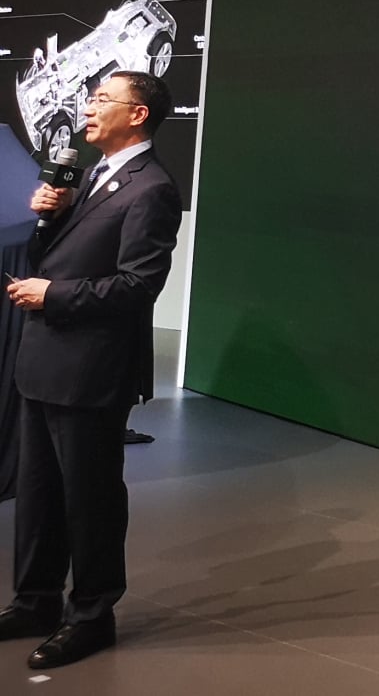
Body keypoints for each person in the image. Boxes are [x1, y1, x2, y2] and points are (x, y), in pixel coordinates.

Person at [0, 70, 180, 669]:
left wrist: (52, 295)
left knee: (90, 499)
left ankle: (91, 615)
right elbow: (60, 254)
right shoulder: (90, 177)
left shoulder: (151, 188)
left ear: (137, 114)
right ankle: (35, 601)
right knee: (38, 495)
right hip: (43, 362)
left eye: (103, 98)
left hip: (90, 371)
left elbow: (137, 286)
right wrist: (50, 216)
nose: (88, 107)